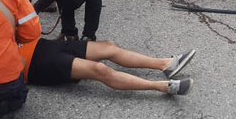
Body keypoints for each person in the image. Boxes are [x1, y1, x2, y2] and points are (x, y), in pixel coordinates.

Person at [20, 37, 195, 95]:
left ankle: (166, 64)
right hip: (34, 65)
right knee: (100, 70)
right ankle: (162, 87)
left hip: (41, 44)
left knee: (109, 48)